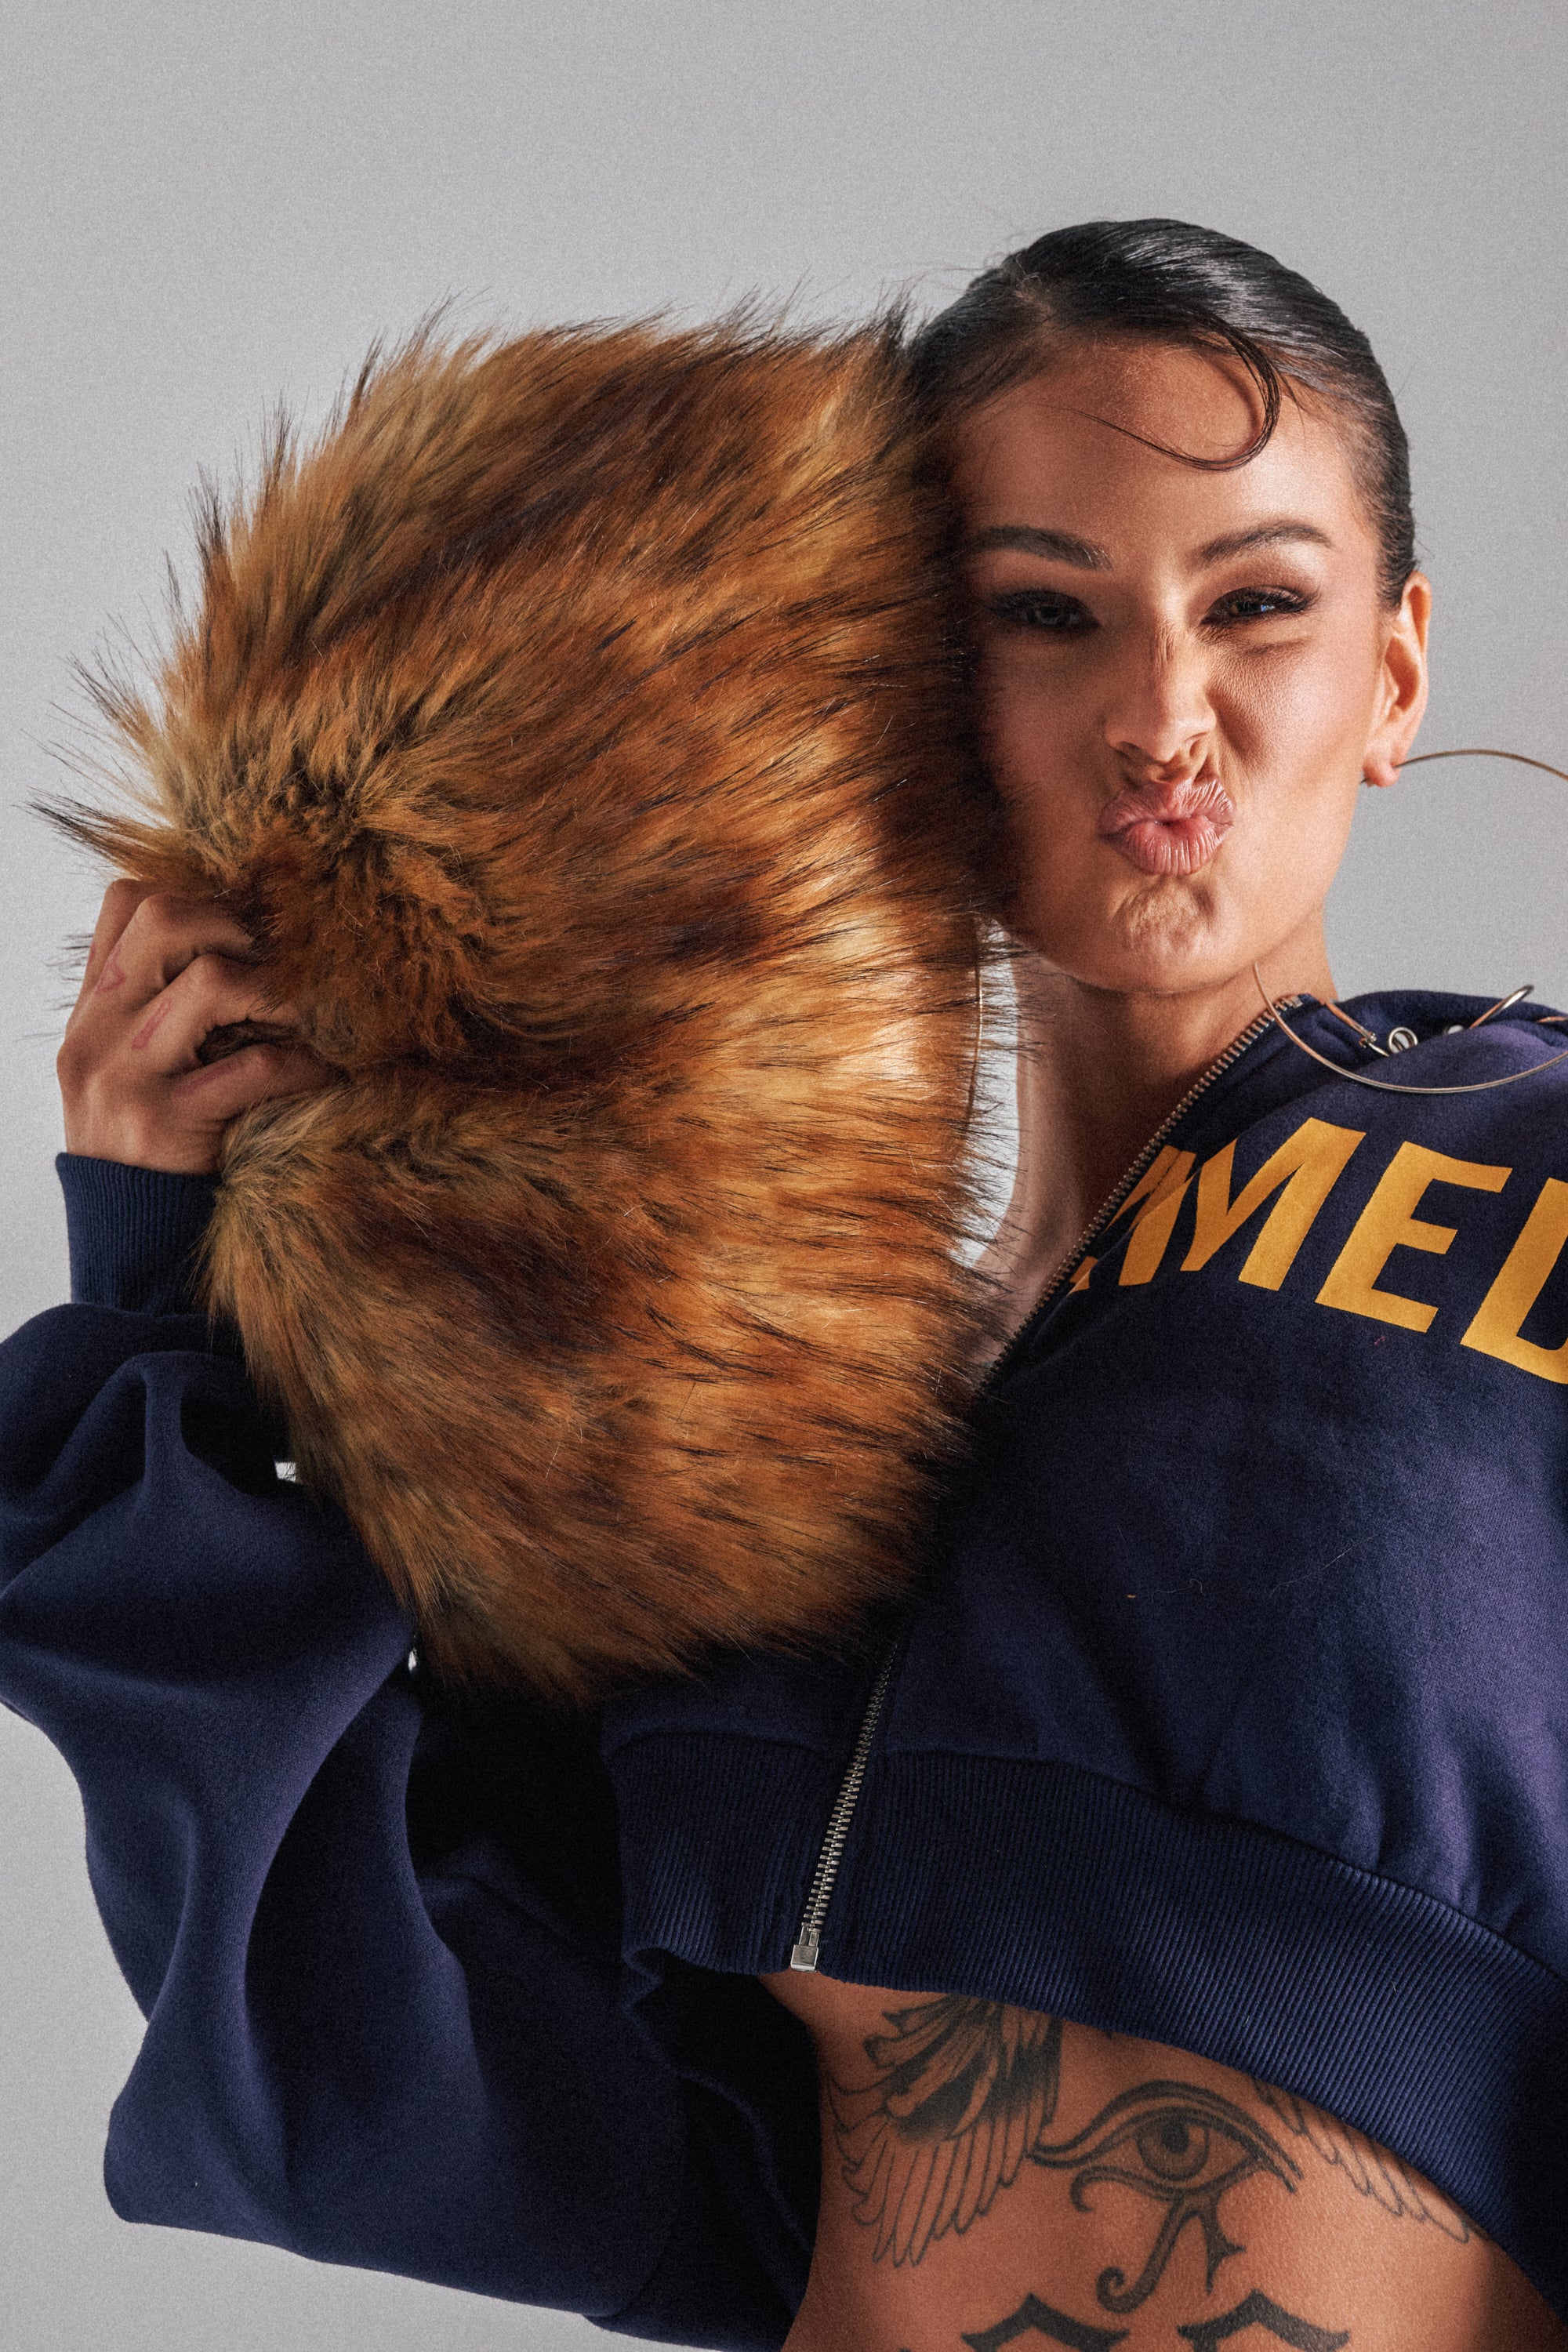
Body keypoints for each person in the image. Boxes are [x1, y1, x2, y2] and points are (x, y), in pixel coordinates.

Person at [3, 219, 1567, 2352]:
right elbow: (360, 2028)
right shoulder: (715, 1426)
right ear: (911, 698)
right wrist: (171, 1297)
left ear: (1389, 675)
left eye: (1259, 604)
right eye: (1045, 612)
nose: (1160, 717)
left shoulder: (1525, 1173)